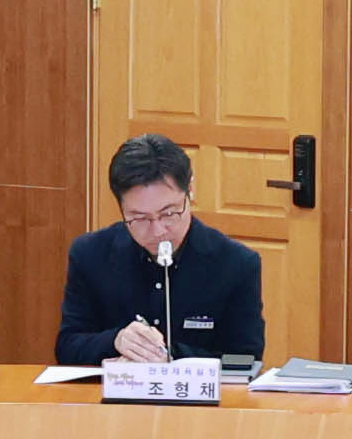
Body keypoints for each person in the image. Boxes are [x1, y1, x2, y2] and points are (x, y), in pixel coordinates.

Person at [52, 134, 267, 369]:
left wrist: (172, 357)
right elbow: (67, 347)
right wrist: (115, 340)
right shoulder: (90, 254)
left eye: (168, 213)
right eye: (139, 218)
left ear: (190, 190)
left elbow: (245, 358)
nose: (157, 231)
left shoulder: (236, 263)